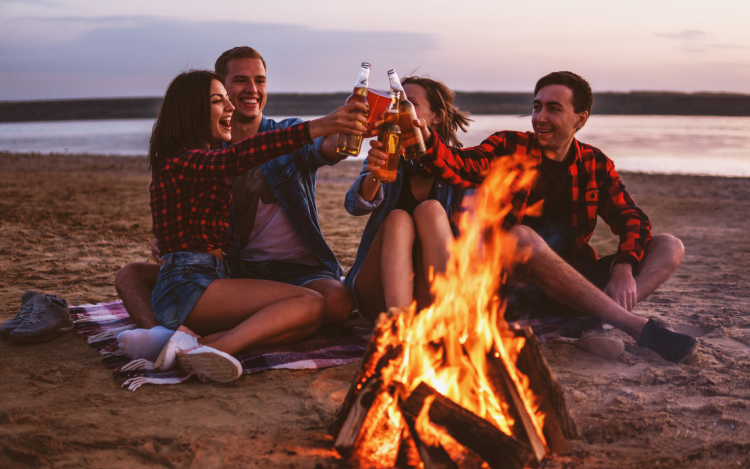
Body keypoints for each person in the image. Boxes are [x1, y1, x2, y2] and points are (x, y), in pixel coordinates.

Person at [365, 71, 697, 364]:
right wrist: (423, 138)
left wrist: (624, 265)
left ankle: (594, 321)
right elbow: (458, 165)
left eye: (554, 108)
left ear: (581, 118)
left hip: (575, 277)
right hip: (517, 286)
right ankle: (633, 326)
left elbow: (631, 218)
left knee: (669, 247)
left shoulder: (595, 162)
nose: (540, 116)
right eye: (537, 106)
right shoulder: (510, 146)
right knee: (522, 235)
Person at [115, 47, 356, 338]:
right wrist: (171, 245)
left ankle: (207, 336)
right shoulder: (200, 155)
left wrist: (343, 132)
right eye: (239, 81)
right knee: (130, 275)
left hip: (255, 272)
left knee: (322, 308)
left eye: (260, 80)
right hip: (213, 275)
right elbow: (232, 160)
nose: (250, 90)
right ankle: (161, 336)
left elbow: (326, 149)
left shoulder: (280, 133)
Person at [144, 69, 367, 382]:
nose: (230, 107)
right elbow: (236, 158)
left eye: (227, 100)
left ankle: (198, 343)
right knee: (308, 302)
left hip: (210, 279)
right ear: (192, 109)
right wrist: (319, 126)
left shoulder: (195, 158)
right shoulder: (181, 160)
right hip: (188, 285)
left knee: (308, 318)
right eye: (217, 101)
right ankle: (216, 348)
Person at [344, 76, 472, 319]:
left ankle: (447, 317)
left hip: (431, 292)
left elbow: (472, 237)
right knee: (398, 218)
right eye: (395, 103)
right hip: (377, 293)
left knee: (431, 209)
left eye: (409, 103)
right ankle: (397, 325)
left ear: (437, 116)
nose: (398, 110)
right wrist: (375, 174)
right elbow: (355, 206)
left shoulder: (458, 164)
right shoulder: (386, 153)